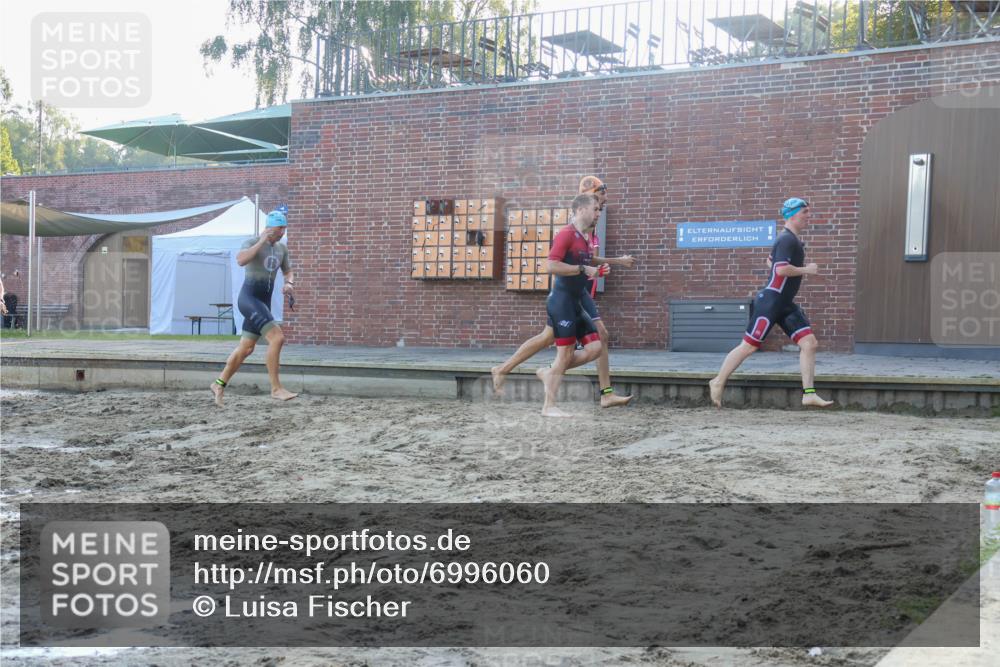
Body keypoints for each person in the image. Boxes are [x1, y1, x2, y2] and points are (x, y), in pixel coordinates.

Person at [492, 176, 635, 407]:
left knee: (549, 337)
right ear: (588, 197)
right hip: (571, 292)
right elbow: (564, 259)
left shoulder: (590, 224)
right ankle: (595, 391)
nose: (603, 205)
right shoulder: (578, 223)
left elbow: (588, 256)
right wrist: (587, 268)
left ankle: (504, 369)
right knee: (596, 337)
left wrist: (614, 262)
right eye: (600, 199)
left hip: (577, 290)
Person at [709, 198, 834, 408]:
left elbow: (770, 261)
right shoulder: (787, 240)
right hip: (771, 302)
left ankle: (809, 394)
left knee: (809, 343)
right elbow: (779, 269)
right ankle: (718, 381)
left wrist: (787, 267)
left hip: (784, 303)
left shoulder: (789, 240)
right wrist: (806, 270)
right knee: (748, 347)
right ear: (793, 215)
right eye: (805, 212)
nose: (808, 216)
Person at [211, 210, 297, 406]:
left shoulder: (282, 249)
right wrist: (261, 242)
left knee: (247, 348)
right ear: (268, 228)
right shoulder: (251, 243)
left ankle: (219, 383)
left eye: (284, 228)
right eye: (279, 228)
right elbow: (241, 260)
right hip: (249, 299)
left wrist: (289, 283)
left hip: (262, 301)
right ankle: (276, 389)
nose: (282, 232)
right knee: (277, 338)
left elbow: (288, 271)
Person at [537, 194, 610, 417]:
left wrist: (599, 268)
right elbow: (551, 265)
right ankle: (549, 406)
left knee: (595, 348)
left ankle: (549, 372)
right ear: (580, 210)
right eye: (595, 209)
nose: (599, 214)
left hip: (576, 302)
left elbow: (585, 264)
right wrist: (581, 269)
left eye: (599, 210)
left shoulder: (585, 238)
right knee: (565, 353)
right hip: (562, 303)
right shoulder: (566, 234)